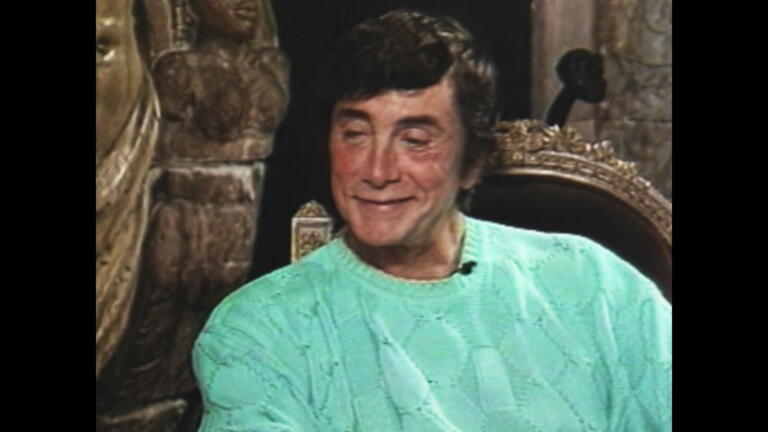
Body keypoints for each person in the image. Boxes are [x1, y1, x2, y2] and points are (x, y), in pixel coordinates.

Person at [192, 9, 671, 431]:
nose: (376, 171)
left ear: (473, 163)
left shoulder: (594, 283)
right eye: (355, 134)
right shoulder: (258, 330)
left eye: (415, 140)